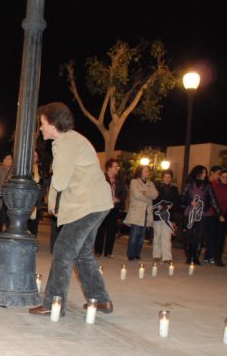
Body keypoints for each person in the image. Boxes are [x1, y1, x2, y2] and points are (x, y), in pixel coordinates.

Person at [29, 102, 114, 317]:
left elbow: (60, 181)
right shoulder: (71, 140)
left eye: (42, 123)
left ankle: (54, 304)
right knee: (82, 253)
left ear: (53, 124)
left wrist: (53, 204)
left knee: (63, 250)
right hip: (96, 203)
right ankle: (100, 300)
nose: (40, 127)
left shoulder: (66, 143)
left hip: (87, 205)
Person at [180, 165, 219, 265]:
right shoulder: (189, 184)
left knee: (199, 235)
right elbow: (182, 198)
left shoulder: (207, 185)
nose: (205, 174)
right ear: (198, 173)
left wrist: (219, 212)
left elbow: (213, 199)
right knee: (189, 234)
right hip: (189, 212)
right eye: (203, 172)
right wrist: (190, 202)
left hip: (202, 213)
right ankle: (189, 257)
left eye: (205, 172)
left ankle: (196, 257)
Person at [124, 165, 158, 261]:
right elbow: (137, 195)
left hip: (146, 212)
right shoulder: (134, 182)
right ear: (140, 171)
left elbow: (155, 195)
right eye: (145, 171)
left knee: (142, 235)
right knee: (134, 234)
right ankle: (131, 254)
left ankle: (137, 254)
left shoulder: (150, 183)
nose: (148, 173)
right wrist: (149, 200)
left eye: (148, 171)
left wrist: (145, 193)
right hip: (136, 211)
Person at [94, 158, 127, 258]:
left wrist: (118, 199)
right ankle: (98, 251)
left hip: (114, 208)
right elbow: (97, 191)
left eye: (118, 167)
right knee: (101, 229)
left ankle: (108, 252)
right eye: (115, 167)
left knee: (112, 230)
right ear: (109, 168)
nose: (117, 168)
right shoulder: (101, 178)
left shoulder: (120, 180)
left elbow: (124, 193)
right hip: (103, 207)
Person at [152, 170, 180, 264]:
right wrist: (157, 206)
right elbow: (153, 200)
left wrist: (171, 206)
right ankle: (156, 255)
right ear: (162, 178)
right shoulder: (157, 187)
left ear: (171, 178)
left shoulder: (174, 189)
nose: (167, 179)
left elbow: (177, 201)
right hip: (158, 214)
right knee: (157, 234)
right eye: (165, 177)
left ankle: (167, 257)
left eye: (169, 177)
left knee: (167, 236)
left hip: (169, 215)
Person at [202, 165, 223, 263]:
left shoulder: (218, 185)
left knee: (212, 235)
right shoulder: (206, 183)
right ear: (212, 173)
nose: (219, 176)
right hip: (204, 212)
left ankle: (209, 256)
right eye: (218, 174)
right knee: (201, 234)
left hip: (213, 213)